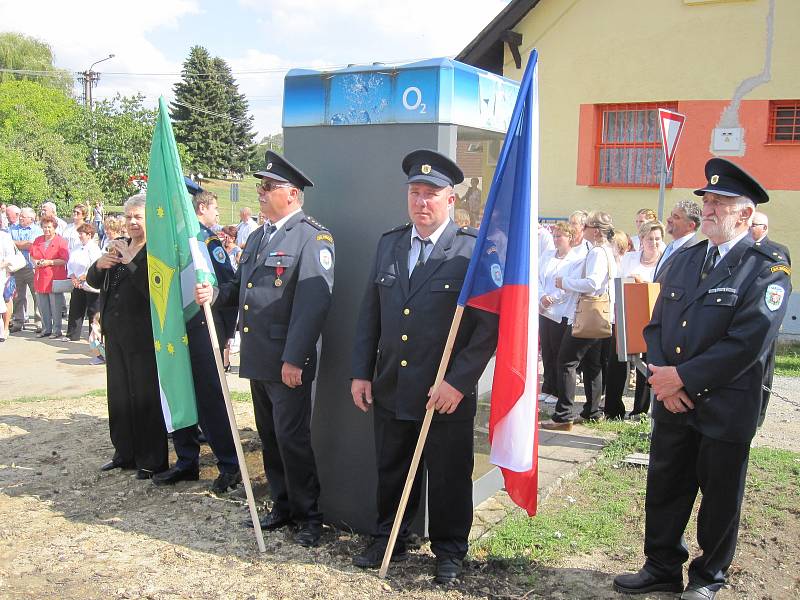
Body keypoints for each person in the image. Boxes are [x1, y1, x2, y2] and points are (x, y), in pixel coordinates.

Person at [613, 159, 791, 600]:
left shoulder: (767, 264)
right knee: (666, 484)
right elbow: (655, 326)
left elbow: (748, 341)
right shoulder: (685, 258)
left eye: (720, 202)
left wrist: (683, 380)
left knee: (720, 495)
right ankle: (660, 566)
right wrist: (661, 379)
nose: (709, 209)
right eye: (707, 201)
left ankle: (708, 577)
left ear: (745, 214)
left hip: (726, 404)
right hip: (673, 401)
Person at [350, 149, 498, 584]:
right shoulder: (390, 244)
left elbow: (486, 330)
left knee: (450, 473)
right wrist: (362, 371)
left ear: (451, 200)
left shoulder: (471, 252)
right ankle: (390, 536)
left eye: (431, 194)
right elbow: (370, 314)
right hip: (394, 381)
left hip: (445, 392)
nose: (421, 202)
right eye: (415, 192)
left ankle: (450, 549)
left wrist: (457, 383)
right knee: (392, 466)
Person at [195, 151, 334, 547]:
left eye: (268, 187)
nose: (260, 192)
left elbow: (313, 305)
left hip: (287, 361)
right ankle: (283, 505)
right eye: (260, 186)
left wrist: (295, 358)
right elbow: (242, 289)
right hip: (257, 357)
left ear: (291, 194)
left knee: (292, 439)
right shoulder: (258, 236)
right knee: (269, 436)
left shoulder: (312, 237)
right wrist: (215, 294)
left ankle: (309, 516)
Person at [153, 190, 242, 494]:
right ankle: (186, 461)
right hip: (173, 328)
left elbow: (230, 286)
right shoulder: (166, 241)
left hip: (203, 326)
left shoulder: (204, 241)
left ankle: (230, 465)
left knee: (210, 398)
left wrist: (227, 335)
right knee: (177, 391)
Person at [86, 194, 168, 479]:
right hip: (116, 334)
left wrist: (133, 262)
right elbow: (93, 281)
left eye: (138, 217)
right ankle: (124, 452)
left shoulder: (156, 249)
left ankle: (151, 458)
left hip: (143, 335)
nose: (132, 223)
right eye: (129, 216)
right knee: (119, 395)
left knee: (144, 397)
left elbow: (155, 290)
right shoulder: (119, 245)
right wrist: (100, 264)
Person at [541, 211, 618, 431]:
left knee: (566, 361)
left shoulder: (596, 252)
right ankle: (592, 411)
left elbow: (592, 283)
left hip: (589, 312)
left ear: (594, 230)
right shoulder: (607, 251)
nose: (581, 231)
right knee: (592, 363)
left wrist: (565, 282)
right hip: (601, 313)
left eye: (585, 227)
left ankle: (563, 415)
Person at [604, 221, 665, 420]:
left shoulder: (665, 260)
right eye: (650, 239)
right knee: (617, 362)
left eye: (657, 239)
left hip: (651, 318)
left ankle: (640, 410)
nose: (653, 243)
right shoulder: (630, 258)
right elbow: (617, 282)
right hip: (625, 315)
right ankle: (613, 409)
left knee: (645, 365)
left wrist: (645, 284)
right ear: (642, 240)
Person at [538, 222, 581, 405]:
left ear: (570, 238)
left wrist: (552, 299)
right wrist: (542, 297)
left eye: (559, 236)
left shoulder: (575, 259)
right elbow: (539, 277)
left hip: (561, 310)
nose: (556, 240)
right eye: (554, 236)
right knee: (546, 350)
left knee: (557, 351)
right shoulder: (547, 255)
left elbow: (570, 285)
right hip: (544, 309)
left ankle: (557, 390)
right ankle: (547, 386)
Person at [29, 215, 69, 339]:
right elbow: (32, 255)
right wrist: (35, 262)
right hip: (40, 277)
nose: (47, 229)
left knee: (55, 305)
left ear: (55, 227)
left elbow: (64, 259)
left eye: (49, 227)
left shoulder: (60, 241)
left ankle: (57, 330)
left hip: (54, 277)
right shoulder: (38, 240)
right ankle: (46, 329)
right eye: (45, 227)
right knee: (42, 305)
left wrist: (50, 262)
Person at [65, 223, 102, 341]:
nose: (79, 236)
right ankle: (72, 334)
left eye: (81, 234)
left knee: (93, 311)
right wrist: (73, 277)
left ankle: (95, 337)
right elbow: (70, 264)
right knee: (75, 308)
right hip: (77, 283)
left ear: (89, 235)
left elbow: (95, 266)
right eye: (79, 233)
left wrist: (83, 277)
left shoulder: (94, 248)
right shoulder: (76, 247)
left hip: (90, 283)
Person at [8, 207, 42, 333]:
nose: (20, 217)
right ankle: (18, 321)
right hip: (16, 268)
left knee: (37, 295)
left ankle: (39, 322)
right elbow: (7, 243)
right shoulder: (12, 228)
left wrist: (14, 243)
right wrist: (21, 243)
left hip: (32, 267)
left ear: (31, 219)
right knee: (18, 296)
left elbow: (31, 245)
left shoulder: (37, 230)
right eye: (20, 215)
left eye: (23, 216)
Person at [653, 200, 702, 281]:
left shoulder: (694, 252)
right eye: (671, 215)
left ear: (690, 225)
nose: (668, 219)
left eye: (676, 217)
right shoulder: (671, 246)